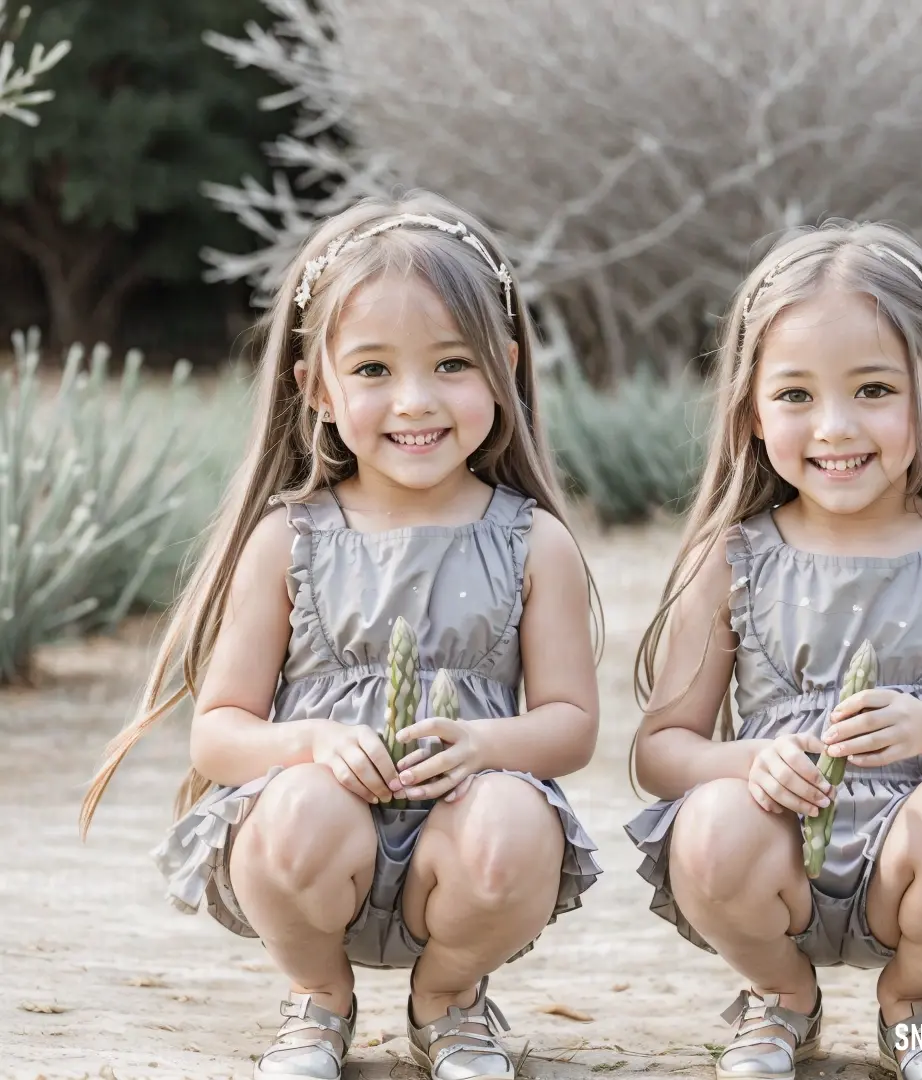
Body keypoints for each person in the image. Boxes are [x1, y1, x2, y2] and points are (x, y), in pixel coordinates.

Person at [79, 192, 603, 1080]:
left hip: (464, 840)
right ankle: (318, 998)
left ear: (505, 369)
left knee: (516, 820)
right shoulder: (290, 539)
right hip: (322, 844)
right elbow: (220, 731)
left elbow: (571, 724)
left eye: (451, 365)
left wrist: (486, 744)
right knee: (298, 806)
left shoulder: (532, 541)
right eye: (371, 371)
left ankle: (450, 1000)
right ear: (315, 386)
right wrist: (314, 743)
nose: (414, 400)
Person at [624, 221, 922, 1080]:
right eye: (795, 395)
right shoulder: (728, 559)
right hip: (777, 859)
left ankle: (916, 1002)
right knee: (712, 825)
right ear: (752, 410)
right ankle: (781, 1000)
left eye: (874, 389)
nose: (834, 426)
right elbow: (659, 749)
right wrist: (749, 762)